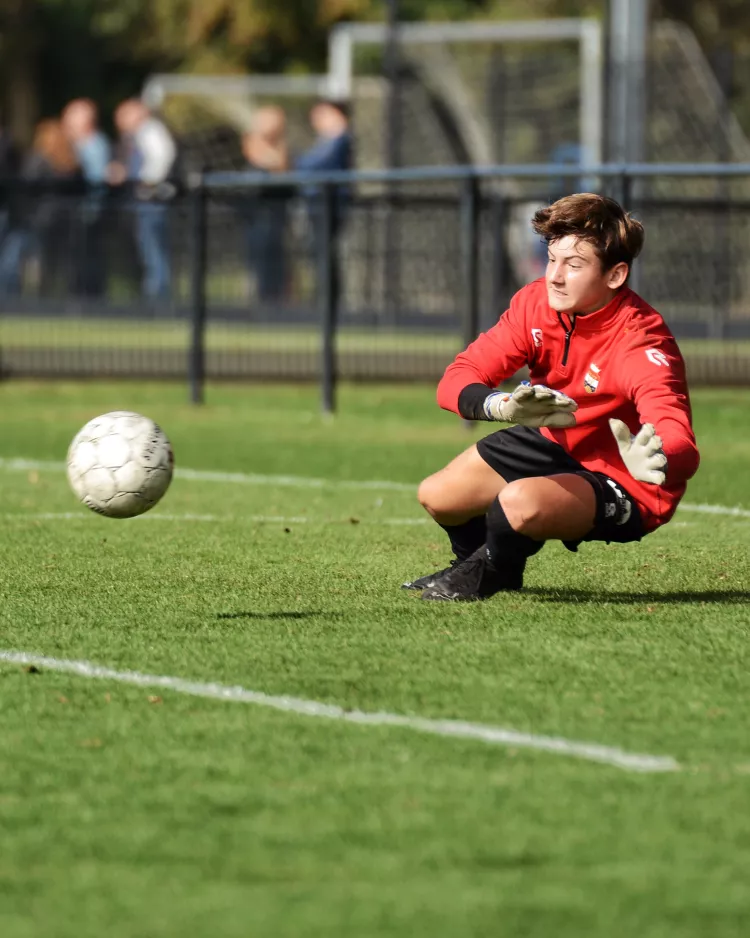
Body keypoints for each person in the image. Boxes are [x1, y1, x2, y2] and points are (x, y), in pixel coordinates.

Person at [405, 192, 700, 602]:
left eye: (574, 265)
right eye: (551, 260)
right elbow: (457, 379)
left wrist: (657, 455)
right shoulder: (534, 304)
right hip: (556, 440)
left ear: (615, 275)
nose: (555, 277)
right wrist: (502, 406)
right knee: (438, 496)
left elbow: (677, 433)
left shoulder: (640, 341)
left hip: (623, 476)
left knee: (517, 503)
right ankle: (470, 562)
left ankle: (492, 569)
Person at [0, 119, 80, 295]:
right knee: (53, 264)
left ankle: (21, 298)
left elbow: (25, 185)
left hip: (35, 219)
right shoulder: (71, 163)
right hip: (61, 219)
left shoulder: (38, 160)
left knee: (18, 262)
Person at [109, 98, 177, 300]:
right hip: (144, 199)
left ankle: (159, 293)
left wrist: (147, 182)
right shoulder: (137, 135)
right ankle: (154, 290)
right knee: (148, 246)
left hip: (152, 199)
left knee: (154, 246)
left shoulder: (150, 130)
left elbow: (163, 156)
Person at [296, 99, 353, 312]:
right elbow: (303, 165)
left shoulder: (339, 139)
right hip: (317, 203)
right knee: (318, 251)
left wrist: (338, 129)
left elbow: (313, 164)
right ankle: (322, 298)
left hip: (330, 204)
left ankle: (329, 302)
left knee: (325, 251)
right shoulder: (324, 142)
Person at [240, 105, 291, 303]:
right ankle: (261, 300)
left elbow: (280, 166)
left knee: (275, 265)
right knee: (258, 262)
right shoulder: (253, 147)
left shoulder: (281, 149)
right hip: (256, 217)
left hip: (275, 218)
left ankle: (275, 300)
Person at [61, 98, 111, 296]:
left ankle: (89, 298)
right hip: (81, 211)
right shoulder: (80, 145)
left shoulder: (95, 145)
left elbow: (95, 179)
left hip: (89, 211)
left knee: (88, 258)